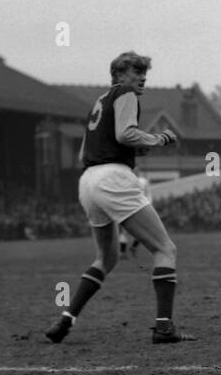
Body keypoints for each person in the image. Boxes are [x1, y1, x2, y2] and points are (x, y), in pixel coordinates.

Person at [45, 51, 196, 345]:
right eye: (136, 71)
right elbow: (127, 135)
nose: (142, 77)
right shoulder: (126, 94)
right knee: (166, 249)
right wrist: (159, 139)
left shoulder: (100, 102)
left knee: (106, 257)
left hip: (88, 181)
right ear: (120, 75)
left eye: (144, 72)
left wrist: (135, 147)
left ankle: (66, 319)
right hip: (113, 178)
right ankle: (164, 328)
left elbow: (90, 149)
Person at [118, 176, 152, 257]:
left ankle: (132, 247)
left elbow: (148, 194)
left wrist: (148, 206)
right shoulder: (124, 180)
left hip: (139, 209)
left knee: (143, 231)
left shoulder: (142, 181)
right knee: (126, 232)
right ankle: (124, 252)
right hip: (129, 209)